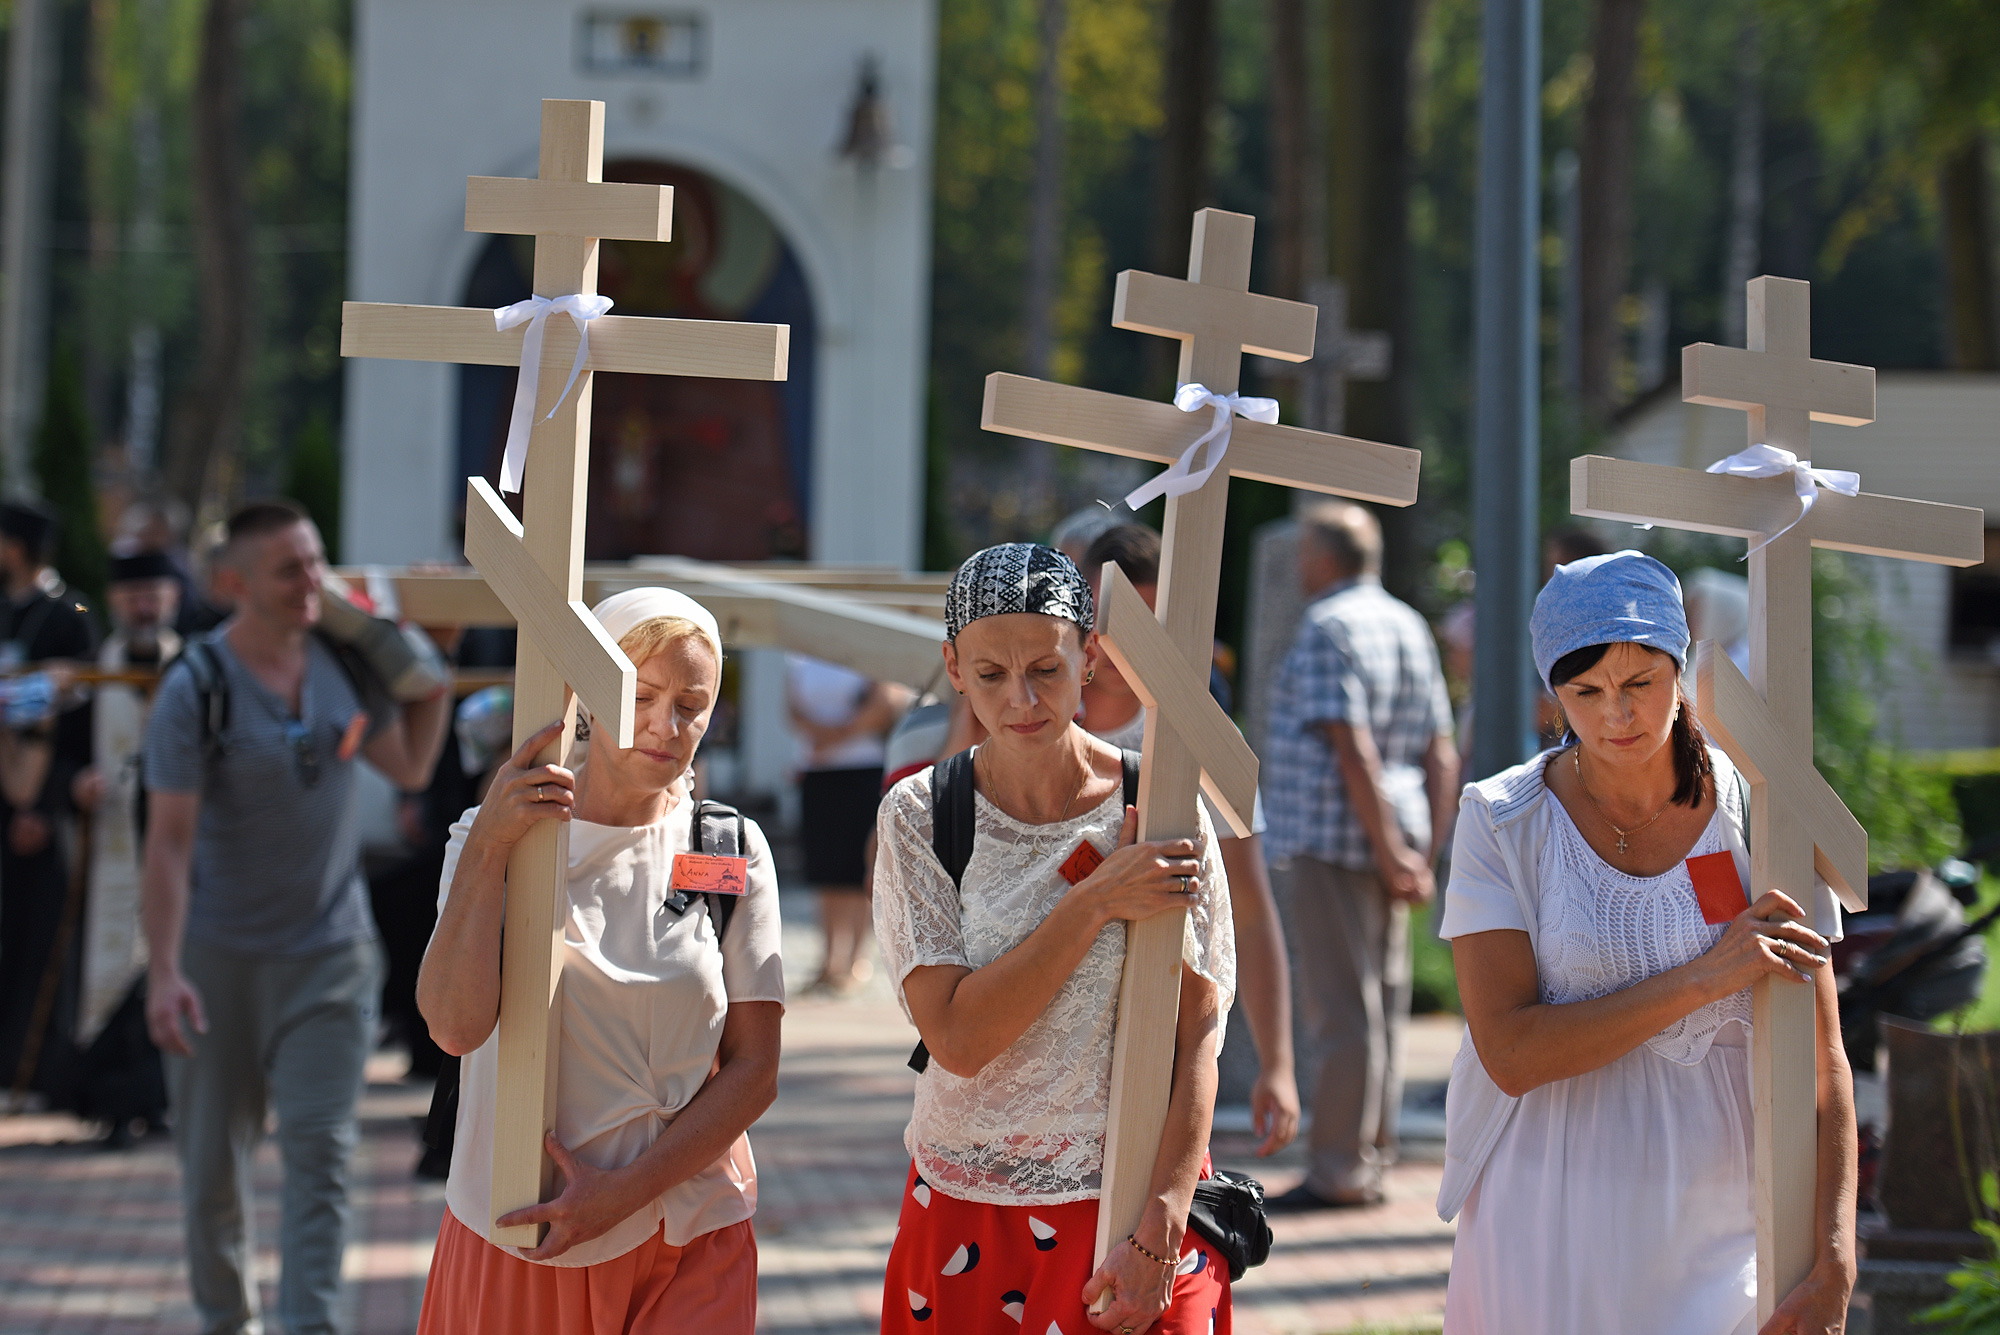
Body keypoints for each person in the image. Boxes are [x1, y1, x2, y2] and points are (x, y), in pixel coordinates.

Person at [1437, 551, 1855, 1334]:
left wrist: (1835, 1254)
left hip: (1733, 1218)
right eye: (1585, 692)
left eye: (1639, 684)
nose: (1615, 716)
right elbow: (1511, 1051)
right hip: (1551, 1214)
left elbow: (1824, 1061)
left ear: (1680, 664)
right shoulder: (1501, 820)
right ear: (1554, 692)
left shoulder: (1762, 810)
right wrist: (1705, 976)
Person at [874, 543, 1235, 1335]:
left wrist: (1166, 1215)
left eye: (1047, 667)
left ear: (1093, 657)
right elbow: (959, 1037)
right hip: (969, 1201)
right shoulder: (921, 815)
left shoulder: (1163, 799)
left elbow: (1200, 1027)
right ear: (954, 667)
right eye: (993, 674)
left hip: (1136, 1201)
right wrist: (1095, 901)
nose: (1023, 699)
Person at [413, 588, 784, 1335]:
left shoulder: (727, 846)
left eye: (693, 703)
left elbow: (754, 1068)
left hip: (694, 1227)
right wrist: (489, 844)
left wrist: (625, 1191)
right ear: (587, 688)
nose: (665, 723)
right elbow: (454, 1027)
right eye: (641, 693)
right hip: (531, 1231)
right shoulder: (497, 837)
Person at [141, 500, 454, 1335]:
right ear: (232, 583)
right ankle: (224, 1320)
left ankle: (307, 1325)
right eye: (289, 568)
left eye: (316, 561)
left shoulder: (341, 669)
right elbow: (167, 843)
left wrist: (431, 667)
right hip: (219, 961)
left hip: (330, 953)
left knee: (322, 1157)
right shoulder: (195, 687)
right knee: (213, 1173)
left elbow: (412, 763)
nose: (311, 581)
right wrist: (165, 972)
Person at [1076, 523, 1301, 1157]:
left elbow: (1251, 914)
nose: (1129, 648)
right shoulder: (1034, 720)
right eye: (1117, 621)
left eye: (1153, 626)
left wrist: (1276, 1064)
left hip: (1163, 1041)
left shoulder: (1210, 744)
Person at [1262, 501, 1458, 1210]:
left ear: (1322, 559)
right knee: (1381, 1001)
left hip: (1337, 840)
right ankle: (1370, 1152)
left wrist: (1388, 846)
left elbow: (1352, 748)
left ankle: (1339, 1167)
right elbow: (1441, 748)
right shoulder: (1408, 622)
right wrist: (1419, 852)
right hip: (1394, 839)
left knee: (1341, 1007)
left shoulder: (1327, 625)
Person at [68, 550, 183, 1142]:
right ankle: (113, 1105)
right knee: (111, 969)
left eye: (153, 593)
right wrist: (75, 781)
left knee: (168, 967)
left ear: (172, 599)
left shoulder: (196, 668)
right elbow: (65, 746)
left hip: (181, 847)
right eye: (132, 594)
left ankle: (160, 1102)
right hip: (112, 844)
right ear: (115, 602)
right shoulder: (93, 671)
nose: (143, 604)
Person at [0, 498, 98, 1104]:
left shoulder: (71, 615)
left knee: (38, 940)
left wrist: (45, 801)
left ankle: (30, 1067)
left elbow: (85, 721)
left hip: (43, 804)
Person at [787, 654, 909, 994]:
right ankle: (829, 960)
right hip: (817, 772)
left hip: (863, 771)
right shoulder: (800, 660)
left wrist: (836, 736)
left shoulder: (866, 655)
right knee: (824, 870)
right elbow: (792, 709)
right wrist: (824, 738)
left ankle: (856, 961)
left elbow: (887, 703)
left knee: (859, 869)